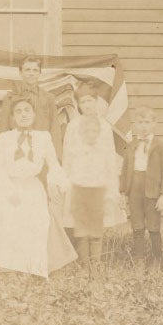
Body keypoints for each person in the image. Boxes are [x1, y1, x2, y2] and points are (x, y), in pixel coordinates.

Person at [0, 96, 76, 278]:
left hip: (32, 186)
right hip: (8, 185)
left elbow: (54, 165)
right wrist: (8, 192)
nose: (23, 114)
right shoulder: (4, 138)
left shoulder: (43, 137)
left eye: (27, 110)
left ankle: (28, 265)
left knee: (34, 215)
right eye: (18, 111)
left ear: (34, 115)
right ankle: (3, 263)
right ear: (12, 117)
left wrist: (55, 183)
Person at [61, 81, 127, 234]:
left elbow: (109, 155)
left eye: (90, 100)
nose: (87, 105)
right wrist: (67, 177)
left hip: (98, 175)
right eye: (83, 102)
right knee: (79, 215)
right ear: (78, 105)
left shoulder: (104, 126)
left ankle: (96, 251)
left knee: (98, 214)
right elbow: (67, 154)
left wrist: (111, 182)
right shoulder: (73, 126)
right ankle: (81, 250)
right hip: (78, 175)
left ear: (96, 102)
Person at [62, 114, 119, 276]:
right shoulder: (76, 152)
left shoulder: (103, 153)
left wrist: (109, 197)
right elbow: (70, 174)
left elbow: (108, 175)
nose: (91, 134)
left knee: (96, 231)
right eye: (87, 131)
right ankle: (84, 265)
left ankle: (96, 263)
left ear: (99, 133)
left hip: (97, 193)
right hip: (80, 193)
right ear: (81, 133)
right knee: (81, 232)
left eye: (95, 131)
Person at [120, 106, 163, 268]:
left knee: (153, 226)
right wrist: (123, 192)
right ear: (135, 124)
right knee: (137, 226)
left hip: (152, 190)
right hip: (134, 188)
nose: (143, 126)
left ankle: (158, 260)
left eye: (147, 122)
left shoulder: (161, 146)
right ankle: (139, 260)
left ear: (154, 124)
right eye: (140, 122)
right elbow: (125, 169)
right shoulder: (131, 145)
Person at [0, 54, 63, 159]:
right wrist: (4, 155)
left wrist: (57, 156)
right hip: (18, 150)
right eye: (27, 70)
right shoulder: (10, 97)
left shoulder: (48, 98)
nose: (31, 73)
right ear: (21, 72)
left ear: (40, 73)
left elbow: (55, 128)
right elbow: (4, 128)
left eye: (35, 70)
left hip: (42, 149)